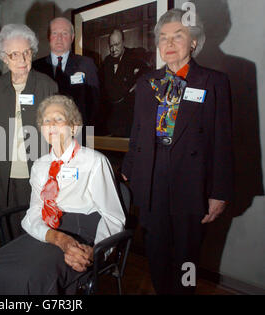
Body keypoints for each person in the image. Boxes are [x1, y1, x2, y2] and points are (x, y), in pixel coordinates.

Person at [122, 9, 233, 294]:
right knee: (156, 254)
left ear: (193, 41)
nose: (169, 44)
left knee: (187, 258)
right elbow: (137, 131)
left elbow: (223, 141)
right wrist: (129, 169)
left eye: (178, 36)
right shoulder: (147, 83)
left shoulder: (214, 82)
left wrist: (219, 192)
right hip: (152, 183)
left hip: (191, 183)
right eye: (163, 38)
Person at [0, 95, 125, 294]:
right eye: (46, 121)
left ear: (74, 127)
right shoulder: (40, 166)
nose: (51, 125)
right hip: (48, 233)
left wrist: (95, 252)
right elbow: (34, 213)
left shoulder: (94, 161)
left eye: (58, 119)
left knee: (29, 280)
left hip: (82, 234)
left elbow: (113, 216)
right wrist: (57, 238)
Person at [0, 24, 58, 225]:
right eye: (15, 54)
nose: (22, 60)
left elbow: (59, 133)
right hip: (6, 175)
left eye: (26, 52)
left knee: (39, 231)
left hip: (38, 174)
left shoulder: (47, 85)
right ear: (4, 57)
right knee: (11, 229)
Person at [33, 17, 100, 137]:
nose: (59, 38)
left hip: (79, 137)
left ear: (72, 37)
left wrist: (87, 137)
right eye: (55, 33)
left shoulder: (86, 64)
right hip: (44, 138)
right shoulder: (35, 67)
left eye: (64, 33)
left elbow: (95, 104)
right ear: (49, 37)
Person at [100, 29, 150, 137]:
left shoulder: (134, 56)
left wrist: (137, 85)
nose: (113, 49)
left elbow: (147, 73)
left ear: (123, 42)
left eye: (117, 44)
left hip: (130, 114)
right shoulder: (107, 61)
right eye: (111, 45)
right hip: (112, 115)